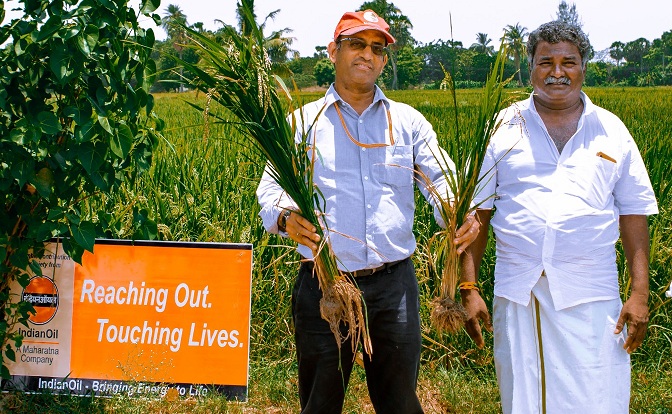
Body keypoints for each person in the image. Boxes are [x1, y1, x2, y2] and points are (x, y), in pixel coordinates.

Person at [256, 9, 479, 414]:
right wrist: (286, 218)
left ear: (384, 59)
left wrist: (457, 211)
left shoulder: (407, 122)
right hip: (324, 284)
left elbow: (440, 178)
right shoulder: (302, 123)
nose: (367, 54)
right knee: (320, 401)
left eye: (377, 48)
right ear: (333, 51)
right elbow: (269, 191)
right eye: (356, 43)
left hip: (392, 286)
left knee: (399, 402)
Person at [460, 21, 659, 413]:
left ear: (584, 67)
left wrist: (639, 294)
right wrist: (469, 288)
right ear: (529, 68)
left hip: (591, 293)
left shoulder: (611, 131)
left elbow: (635, 215)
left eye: (568, 62)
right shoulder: (501, 127)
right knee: (524, 397)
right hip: (520, 291)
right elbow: (476, 215)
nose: (557, 72)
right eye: (545, 61)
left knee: (598, 393)